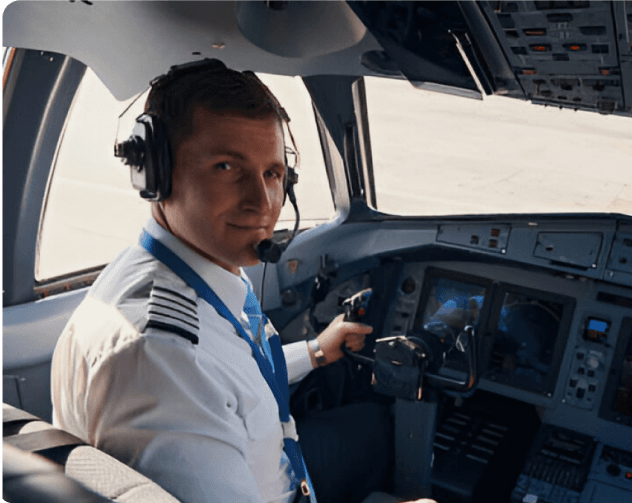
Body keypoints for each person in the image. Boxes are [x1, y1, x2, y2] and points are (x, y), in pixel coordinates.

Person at [50, 59, 433, 503]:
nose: (263, 203)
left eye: (272, 174)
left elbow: (230, 372)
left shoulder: (171, 271)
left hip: (275, 468)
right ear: (156, 173)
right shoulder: (165, 359)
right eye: (227, 168)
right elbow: (202, 371)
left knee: (371, 424)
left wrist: (314, 351)